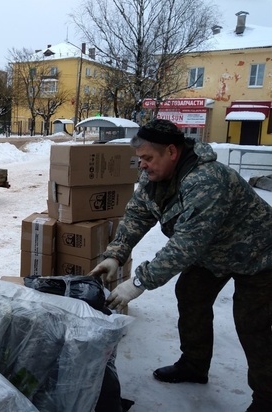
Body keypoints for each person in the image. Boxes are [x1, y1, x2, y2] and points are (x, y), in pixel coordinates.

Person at [90, 119, 272, 412]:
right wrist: (115, 255)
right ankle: (194, 365)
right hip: (214, 252)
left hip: (258, 254)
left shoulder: (206, 181)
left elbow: (186, 245)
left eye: (148, 159)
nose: (143, 166)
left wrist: (137, 283)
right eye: (140, 160)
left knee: (252, 323)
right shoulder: (156, 177)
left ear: (172, 152)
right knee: (191, 294)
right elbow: (137, 216)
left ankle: (267, 397)